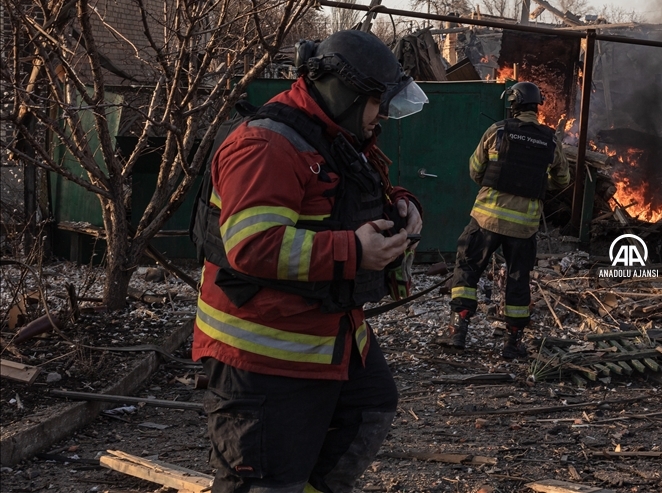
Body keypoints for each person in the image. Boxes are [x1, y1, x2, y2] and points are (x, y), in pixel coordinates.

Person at [192, 30, 427, 493]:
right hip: (261, 354)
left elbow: (350, 192)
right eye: (378, 103)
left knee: (370, 410)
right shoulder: (266, 146)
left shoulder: (333, 133)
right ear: (346, 94)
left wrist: (401, 203)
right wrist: (355, 251)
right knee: (265, 481)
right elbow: (253, 244)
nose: (381, 117)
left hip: (328, 333)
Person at [446, 81, 571, 359]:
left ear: (513, 104)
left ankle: (458, 330)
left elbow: (475, 169)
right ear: (537, 107)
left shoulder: (498, 131)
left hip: (486, 218)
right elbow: (563, 179)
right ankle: (513, 344)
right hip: (523, 227)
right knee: (518, 280)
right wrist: (535, 183)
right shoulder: (550, 140)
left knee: (467, 269)